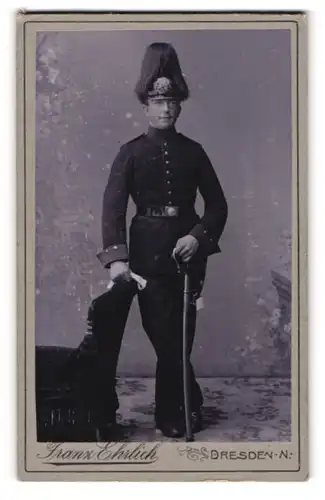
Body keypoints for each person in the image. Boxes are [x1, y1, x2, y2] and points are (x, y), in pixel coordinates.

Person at [87, 42, 228, 440]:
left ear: (179, 106)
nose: (165, 109)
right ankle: (186, 401)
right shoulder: (130, 153)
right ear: (145, 106)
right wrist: (117, 260)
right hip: (146, 261)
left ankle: (175, 410)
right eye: (156, 100)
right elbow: (112, 210)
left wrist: (198, 238)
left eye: (171, 101)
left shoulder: (194, 153)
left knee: (180, 336)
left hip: (188, 260)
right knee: (165, 337)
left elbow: (217, 207)